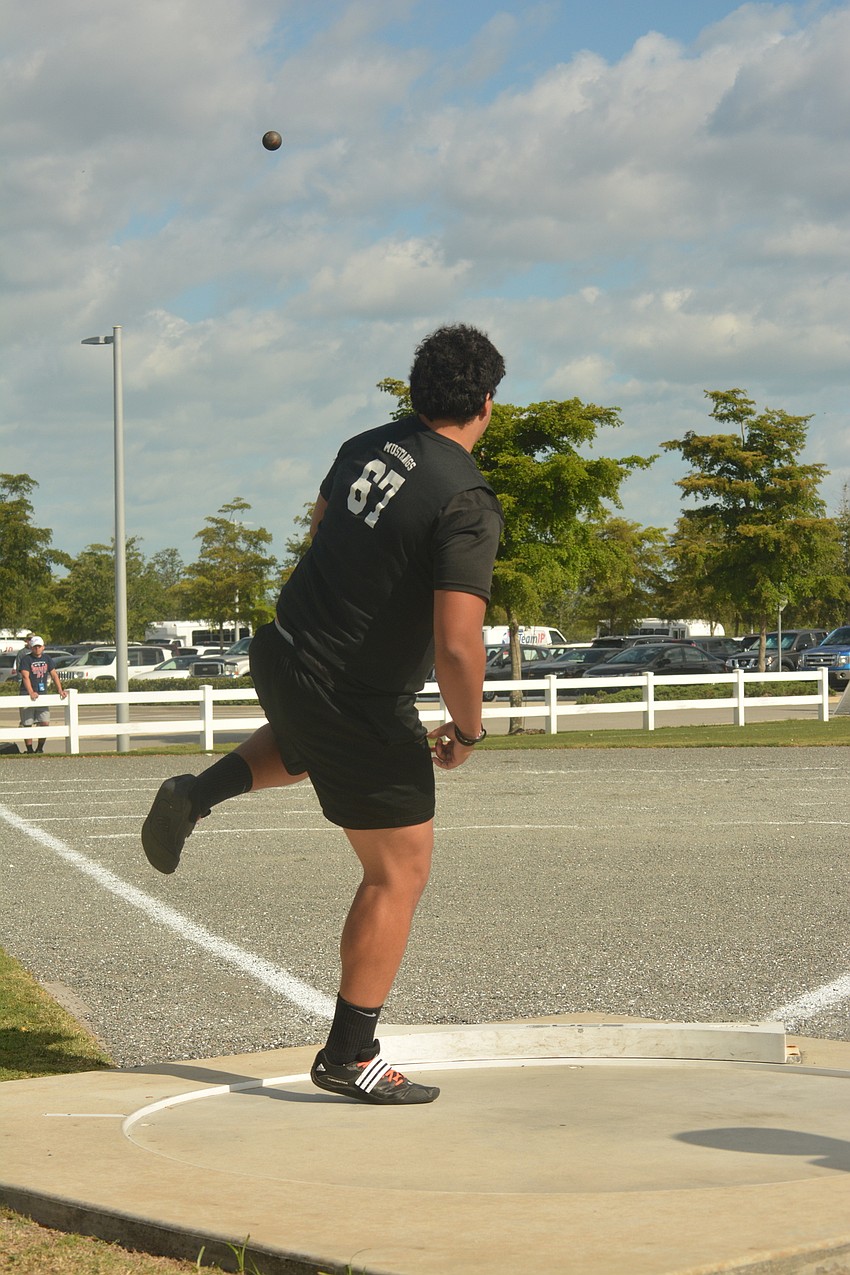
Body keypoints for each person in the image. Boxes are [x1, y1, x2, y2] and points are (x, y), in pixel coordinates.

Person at [142, 323, 506, 1105]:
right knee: (398, 869)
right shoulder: (467, 498)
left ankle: (195, 793)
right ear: (485, 403)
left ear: (416, 392)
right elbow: (457, 644)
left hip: (283, 649)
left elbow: (318, 529)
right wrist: (469, 729)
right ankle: (350, 1053)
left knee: (308, 743)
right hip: (355, 697)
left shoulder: (365, 444)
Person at [19, 637, 68, 753]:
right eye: (35, 646)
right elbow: (25, 676)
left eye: (39, 646)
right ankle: (29, 750)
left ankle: (40, 748)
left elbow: (54, 675)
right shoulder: (26, 659)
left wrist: (60, 690)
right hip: (27, 694)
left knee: (44, 722)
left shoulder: (47, 659)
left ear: (43, 647)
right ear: (31, 647)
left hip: (42, 695)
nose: (37, 648)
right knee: (27, 723)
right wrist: (31, 692)